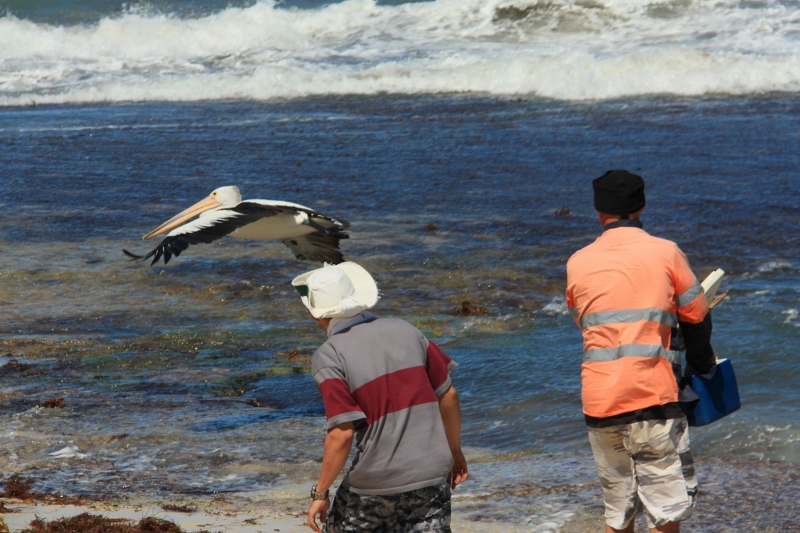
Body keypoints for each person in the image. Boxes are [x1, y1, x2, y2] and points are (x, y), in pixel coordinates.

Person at [565, 170, 716, 533]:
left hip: (599, 399)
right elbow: (696, 317)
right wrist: (702, 366)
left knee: (618, 509)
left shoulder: (577, 262)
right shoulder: (665, 252)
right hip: (652, 395)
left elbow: (584, 324)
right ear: (642, 206)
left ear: (598, 210)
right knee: (665, 509)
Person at [291, 261, 468, 533]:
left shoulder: (329, 355)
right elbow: (449, 396)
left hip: (374, 482)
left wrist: (320, 493)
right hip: (432, 475)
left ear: (315, 314)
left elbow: (341, 434)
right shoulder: (407, 330)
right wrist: (454, 452)